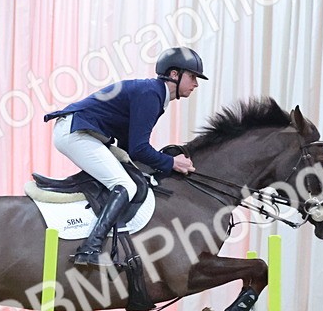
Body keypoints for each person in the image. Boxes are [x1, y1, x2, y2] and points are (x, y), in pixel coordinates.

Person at [44, 47, 205, 267]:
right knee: (124, 185)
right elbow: (139, 149)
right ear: (174, 75)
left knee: (131, 176)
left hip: (82, 131)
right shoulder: (152, 94)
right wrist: (171, 162)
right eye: (193, 76)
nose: (196, 84)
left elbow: (131, 148)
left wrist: (162, 164)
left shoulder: (154, 93)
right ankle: (90, 248)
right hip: (76, 132)